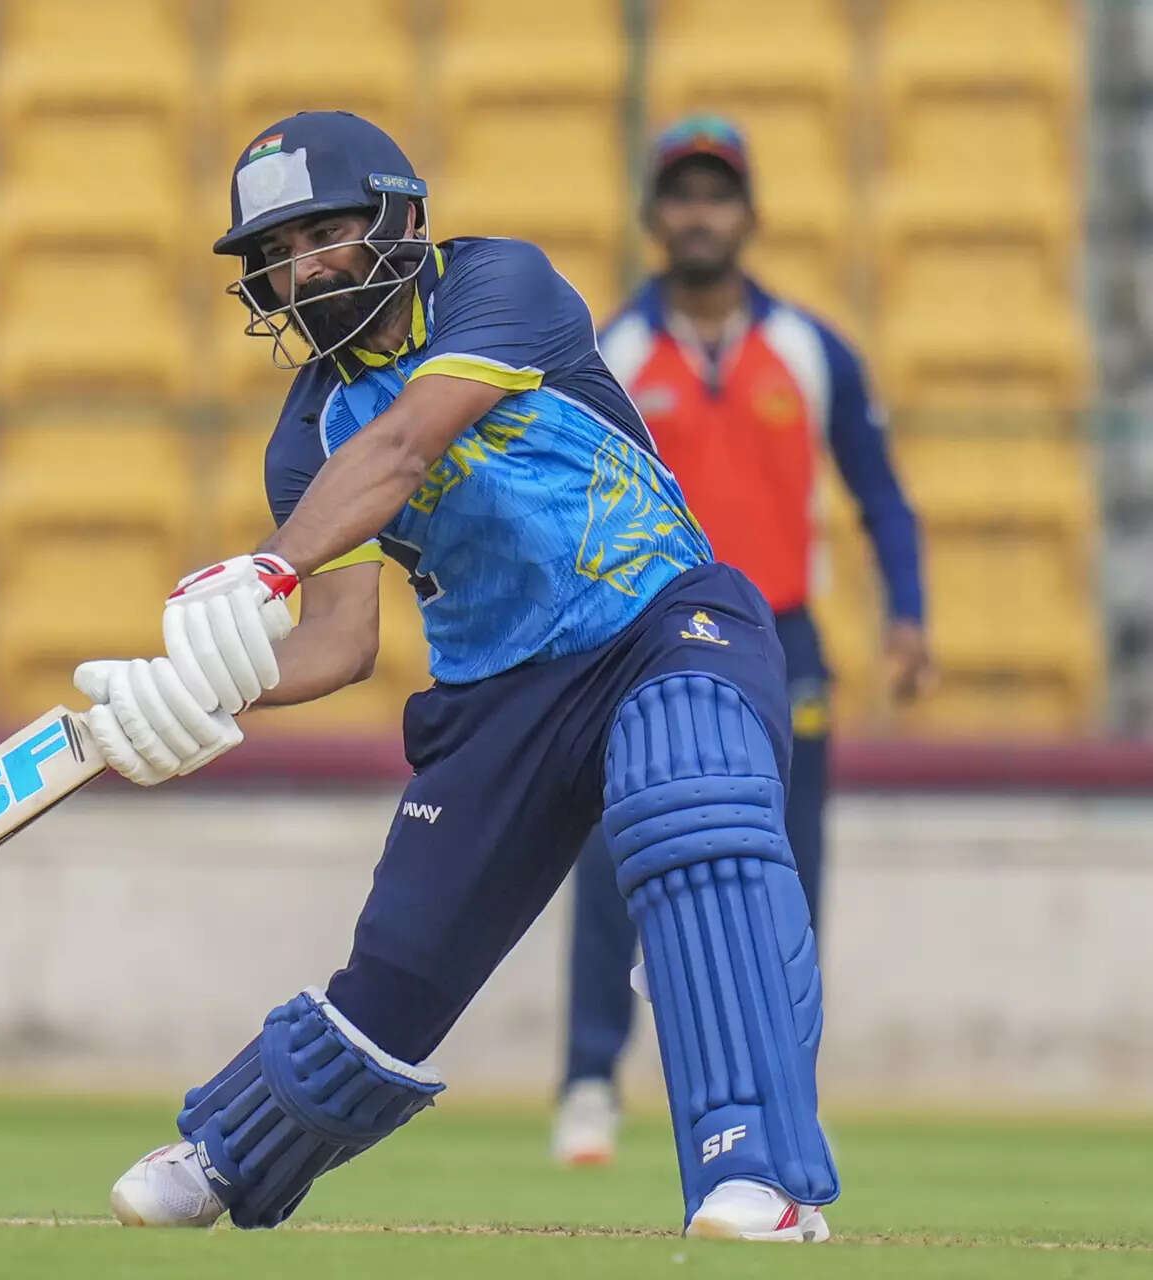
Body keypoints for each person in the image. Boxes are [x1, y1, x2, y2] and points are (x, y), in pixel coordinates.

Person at [68, 110, 839, 1242]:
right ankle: (229, 1149)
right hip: (497, 700)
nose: (301, 267)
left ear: (400, 219)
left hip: (659, 623)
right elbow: (339, 642)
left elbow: (407, 446)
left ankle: (760, 1179)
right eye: (275, 251)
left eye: (323, 232)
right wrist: (199, 688)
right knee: (397, 977)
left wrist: (272, 563)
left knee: (692, 811)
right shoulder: (306, 436)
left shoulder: (497, 284)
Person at [551, 115, 927, 1167]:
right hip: (639, 637)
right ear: (652, 215)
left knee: (783, 869)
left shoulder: (810, 351)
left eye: (717, 196)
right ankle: (589, 1079)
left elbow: (880, 494)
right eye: (681, 195)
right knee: (613, 856)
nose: (699, 215)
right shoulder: (612, 354)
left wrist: (907, 612)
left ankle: (783, 1082)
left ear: (749, 215)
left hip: (779, 638)